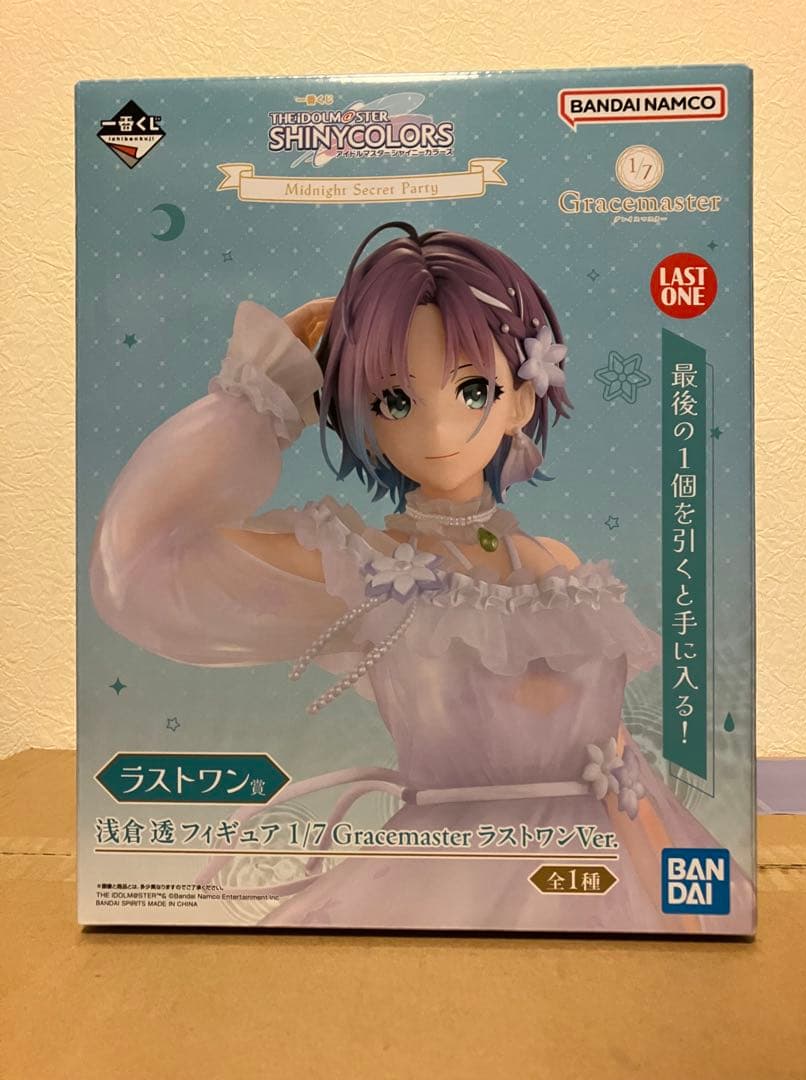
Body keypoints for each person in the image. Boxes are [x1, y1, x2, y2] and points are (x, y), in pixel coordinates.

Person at [90, 221, 753, 932]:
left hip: (602, 879)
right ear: (365, 416)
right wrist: (263, 388)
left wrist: (680, 898)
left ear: (522, 397)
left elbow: (621, 767)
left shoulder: (561, 569)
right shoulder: (365, 566)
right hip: (443, 880)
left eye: (472, 389)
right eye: (396, 401)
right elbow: (141, 560)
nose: (437, 430)